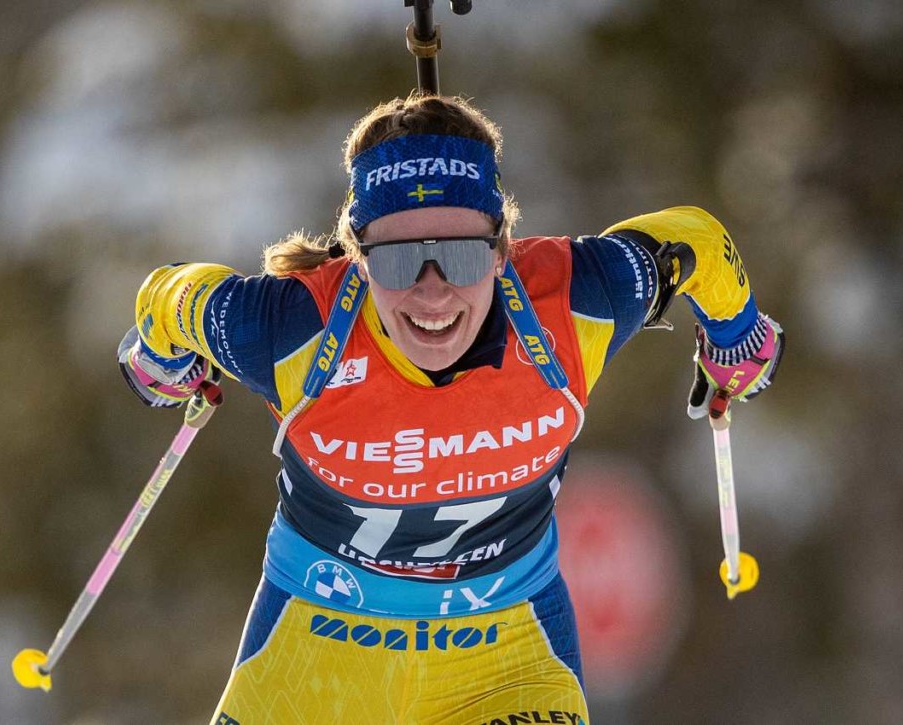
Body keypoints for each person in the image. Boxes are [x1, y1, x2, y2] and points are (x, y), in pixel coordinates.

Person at [118, 94, 783, 725]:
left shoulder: (576, 302)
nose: (432, 296)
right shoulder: (290, 328)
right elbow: (170, 296)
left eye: (462, 255)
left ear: (501, 249)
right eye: (399, 260)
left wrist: (739, 338)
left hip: (506, 659)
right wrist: (159, 360)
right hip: (317, 658)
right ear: (356, 255)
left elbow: (697, 241)